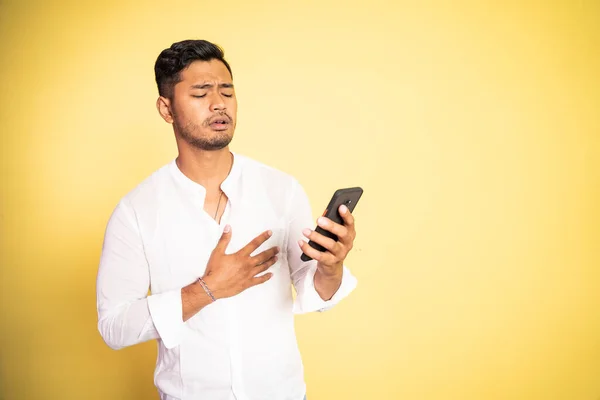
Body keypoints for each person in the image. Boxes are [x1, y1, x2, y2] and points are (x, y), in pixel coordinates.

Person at [96, 39, 358, 400]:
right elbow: (114, 326)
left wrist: (332, 266)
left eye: (227, 92)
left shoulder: (281, 190)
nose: (219, 103)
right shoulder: (136, 211)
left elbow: (315, 292)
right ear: (166, 108)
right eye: (201, 92)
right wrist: (207, 290)